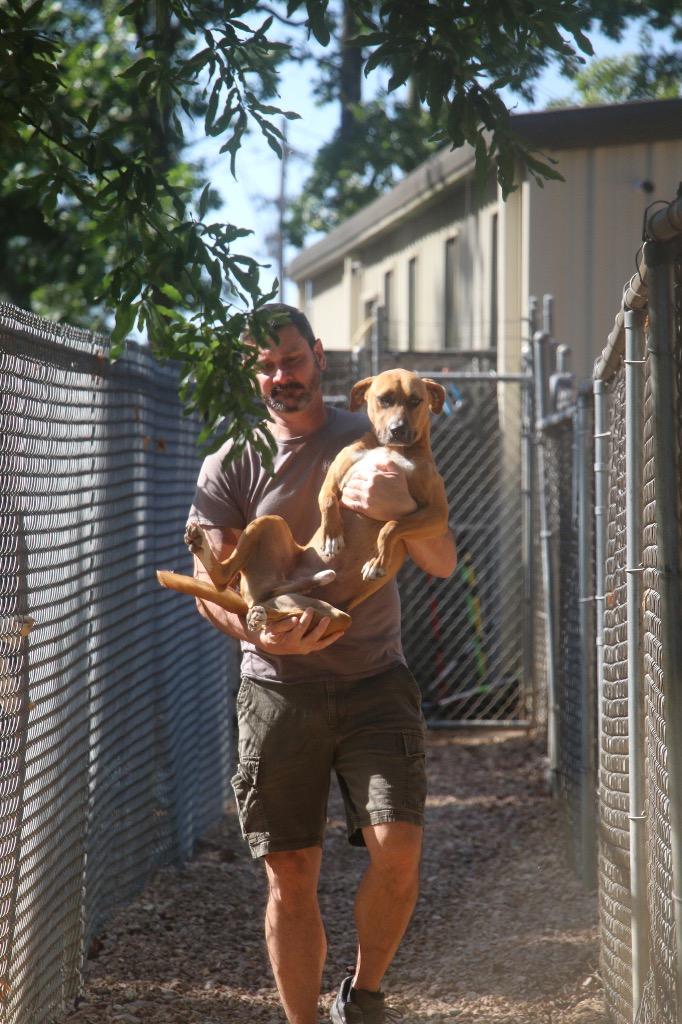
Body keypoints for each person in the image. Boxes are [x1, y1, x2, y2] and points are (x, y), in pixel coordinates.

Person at [187, 304, 456, 1024]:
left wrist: (401, 503)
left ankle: (362, 996)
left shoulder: (377, 432)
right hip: (278, 691)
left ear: (319, 357)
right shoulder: (230, 463)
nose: (282, 376)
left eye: (293, 360)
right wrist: (259, 631)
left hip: (374, 678)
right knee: (291, 874)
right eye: (267, 365)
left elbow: (441, 560)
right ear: (254, 373)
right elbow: (209, 587)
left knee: (398, 848)